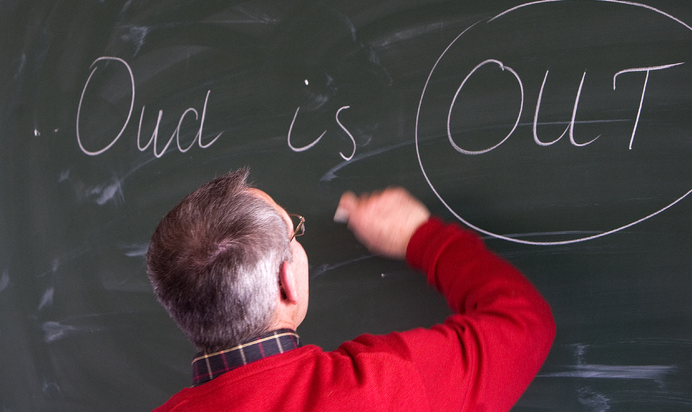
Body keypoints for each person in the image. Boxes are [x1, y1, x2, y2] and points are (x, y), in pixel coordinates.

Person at [147, 168, 555, 411]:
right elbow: (523, 324)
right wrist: (422, 238)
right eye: (296, 234)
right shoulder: (379, 388)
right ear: (286, 282)